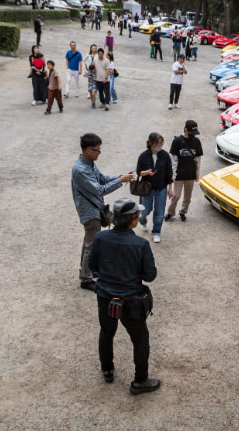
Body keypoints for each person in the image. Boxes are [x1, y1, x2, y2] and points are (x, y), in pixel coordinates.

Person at [88, 197, 160, 393]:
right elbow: (150, 276)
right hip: (131, 300)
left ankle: (107, 370)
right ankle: (140, 381)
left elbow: (92, 266)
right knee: (140, 339)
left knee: (106, 332)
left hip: (105, 296)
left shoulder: (100, 238)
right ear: (133, 220)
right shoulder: (140, 244)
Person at [71, 133, 134, 291]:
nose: (100, 153)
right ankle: (86, 279)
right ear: (89, 150)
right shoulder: (81, 169)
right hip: (89, 211)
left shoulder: (89, 163)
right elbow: (99, 189)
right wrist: (120, 181)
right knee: (91, 244)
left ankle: (87, 270)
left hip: (94, 208)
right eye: (97, 150)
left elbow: (102, 178)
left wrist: (120, 177)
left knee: (89, 242)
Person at [135, 132, 172, 243]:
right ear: (151, 143)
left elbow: (169, 173)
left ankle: (156, 232)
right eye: (157, 143)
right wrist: (147, 172)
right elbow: (138, 172)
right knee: (145, 209)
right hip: (147, 188)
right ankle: (142, 220)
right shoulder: (143, 156)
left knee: (160, 212)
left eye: (161, 143)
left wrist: (170, 188)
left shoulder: (165, 155)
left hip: (161, 188)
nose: (160, 145)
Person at [165, 120, 202, 222]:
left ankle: (183, 212)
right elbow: (173, 160)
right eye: (191, 132)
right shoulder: (177, 141)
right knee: (176, 195)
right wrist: (173, 174)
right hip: (179, 174)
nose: (193, 134)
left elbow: (198, 159)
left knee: (188, 197)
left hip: (190, 174)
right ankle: (170, 212)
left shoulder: (196, 141)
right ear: (186, 129)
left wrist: (197, 173)